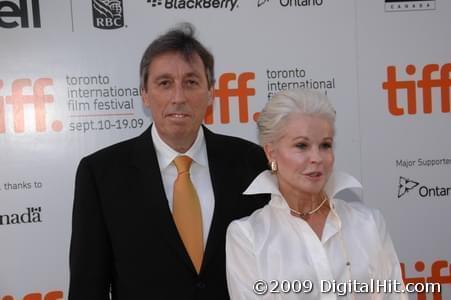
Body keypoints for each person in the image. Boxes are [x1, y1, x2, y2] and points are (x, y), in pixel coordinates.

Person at [68, 23, 269, 300]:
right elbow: (88, 287)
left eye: (191, 82)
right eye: (164, 83)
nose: (178, 97)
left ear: (211, 92)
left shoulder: (250, 161)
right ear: (144, 95)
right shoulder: (101, 174)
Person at [226, 88, 407, 299]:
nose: (317, 158)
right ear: (271, 152)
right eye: (301, 145)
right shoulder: (248, 236)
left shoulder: (368, 223)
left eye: (325, 145)